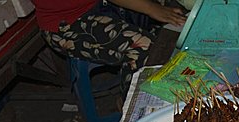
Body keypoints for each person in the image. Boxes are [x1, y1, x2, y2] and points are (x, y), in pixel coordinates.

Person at [32, 0, 187, 96]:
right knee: (145, 48)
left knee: (179, 12)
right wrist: (152, 9)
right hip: (67, 22)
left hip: (103, 5)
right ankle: (130, 107)